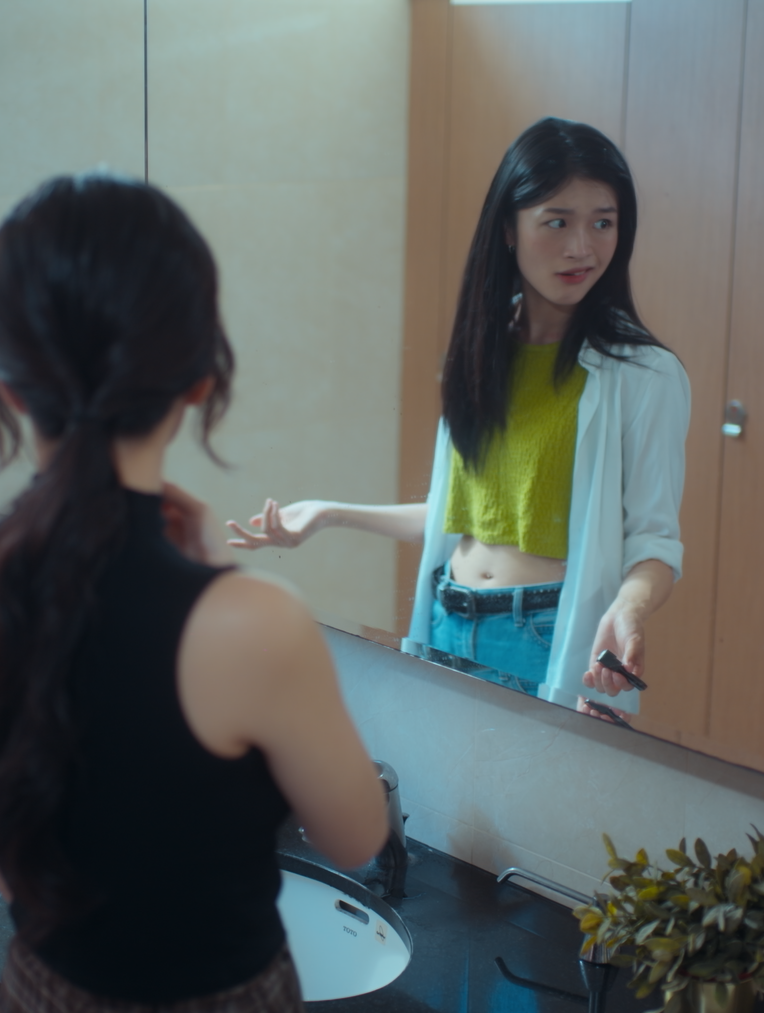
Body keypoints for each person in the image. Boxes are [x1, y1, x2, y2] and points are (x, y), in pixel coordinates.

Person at [0, 173, 389, 1013]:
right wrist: (218, 577)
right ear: (198, 379)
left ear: (9, 387)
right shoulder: (253, 625)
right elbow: (357, 838)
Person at [226, 117, 689, 716]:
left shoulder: (644, 373)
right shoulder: (481, 350)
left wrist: (628, 608)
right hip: (447, 619)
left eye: (603, 222)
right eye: (557, 222)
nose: (583, 247)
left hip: (546, 635)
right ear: (508, 229)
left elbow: (654, 541)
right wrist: (330, 513)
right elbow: (459, 514)